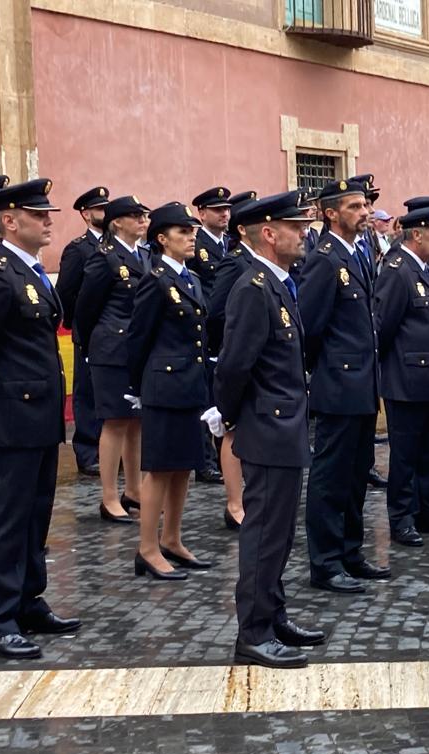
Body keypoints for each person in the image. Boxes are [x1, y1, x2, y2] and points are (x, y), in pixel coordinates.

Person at [211, 191, 326, 669]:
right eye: (295, 228)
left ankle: (273, 613)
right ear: (268, 233)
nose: (304, 235)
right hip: (267, 425)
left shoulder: (278, 283)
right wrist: (230, 414)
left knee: (279, 533)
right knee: (263, 532)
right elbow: (236, 365)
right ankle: (253, 632)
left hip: (283, 423)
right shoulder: (253, 288)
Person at [0, 177, 82, 661]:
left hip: (41, 418)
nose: (49, 219)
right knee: (7, 520)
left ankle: (28, 599)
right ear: (9, 220)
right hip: (9, 418)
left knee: (35, 515)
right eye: (38, 213)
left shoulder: (25, 272)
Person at [299, 178, 389, 593]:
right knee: (331, 477)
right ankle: (326, 562)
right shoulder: (324, 258)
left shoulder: (360, 252)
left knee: (356, 475)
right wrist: (330, 370)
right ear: (330, 213)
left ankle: (351, 552)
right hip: (339, 383)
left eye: (365, 206)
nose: (365, 213)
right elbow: (311, 326)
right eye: (354, 207)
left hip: (363, 383)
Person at [125, 203, 213, 580]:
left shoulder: (189, 279)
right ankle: (147, 548)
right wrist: (139, 387)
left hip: (189, 384)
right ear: (162, 239)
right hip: (163, 386)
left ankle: (172, 539)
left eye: (192, 231)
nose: (191, 236)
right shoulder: (156, 279)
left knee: (183, 468)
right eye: (182, 232)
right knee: (160, 469)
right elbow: (138, 338)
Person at [375, 204, 429, 548]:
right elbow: (383, 328)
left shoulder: (424, 268)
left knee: (428, 452)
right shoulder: (397, 271)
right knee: (406, 454)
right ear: (416, 234)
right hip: (407, 382)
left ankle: (423, 508)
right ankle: (401, 517)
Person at [75, 195, 151, 524]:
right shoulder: (103, 258)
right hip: (111, 349)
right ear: (117, 222)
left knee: (135, 422)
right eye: (135, 216)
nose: (143, 221)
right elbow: (85, 308)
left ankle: (133, 490)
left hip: (136, 349)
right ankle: (108, 497)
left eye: (144, 215)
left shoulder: (144, 256)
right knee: (115, 422)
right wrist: (92, 346)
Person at [205, 191, 257, 531]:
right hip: (233, 351)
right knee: (232, 430)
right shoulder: (235, 261)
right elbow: (217, 311)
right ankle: (235, 504)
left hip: (256, 355)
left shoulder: (258, 261)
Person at [56, 186, 110, 477]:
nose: (106, 212)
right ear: (86, 214)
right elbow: (65, 292)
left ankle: (114, 451)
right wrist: (82, 322)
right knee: (87, 393)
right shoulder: (78, 249)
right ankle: (88, 450)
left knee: (112, 392)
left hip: (115, 333)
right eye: (99, 209)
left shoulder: (116, 247)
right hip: (89, 331)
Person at [187, 186, 232, 486]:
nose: (224, 214)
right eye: (217, 210)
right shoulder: (196, 244)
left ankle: (222, 455)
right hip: (207, 331)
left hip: (230, 329)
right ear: (202, 213)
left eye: (227, 209)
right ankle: (205, 462)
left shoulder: (231, 243)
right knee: (205, 399)